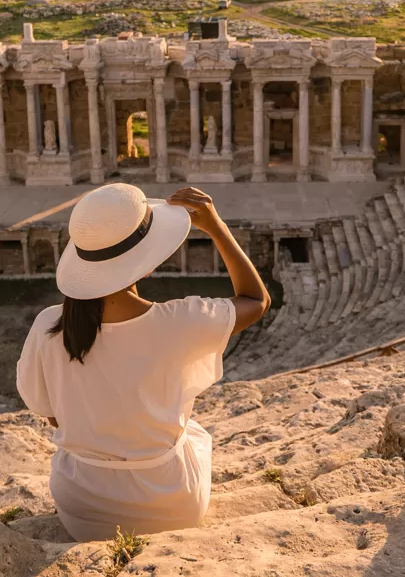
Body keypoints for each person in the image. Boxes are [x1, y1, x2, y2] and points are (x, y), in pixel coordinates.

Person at [17, 183, 271, 542]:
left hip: (82, 506)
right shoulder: (182, 321)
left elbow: (52, 414)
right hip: (169, 505)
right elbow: (256, 300)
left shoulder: (48, 326)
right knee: (191, 433)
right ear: (147, 263)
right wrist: (217, 228)